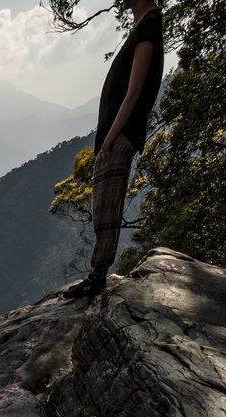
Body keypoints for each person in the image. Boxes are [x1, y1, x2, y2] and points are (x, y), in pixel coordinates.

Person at [64, 0, 164, 299]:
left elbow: (135, 90)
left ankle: (97, 277)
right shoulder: (143, 24)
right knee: (102, 201)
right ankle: (97, 274)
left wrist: (111, 137)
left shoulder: (149, 25)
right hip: (116, 133)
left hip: (120, 134)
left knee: (106, 203)